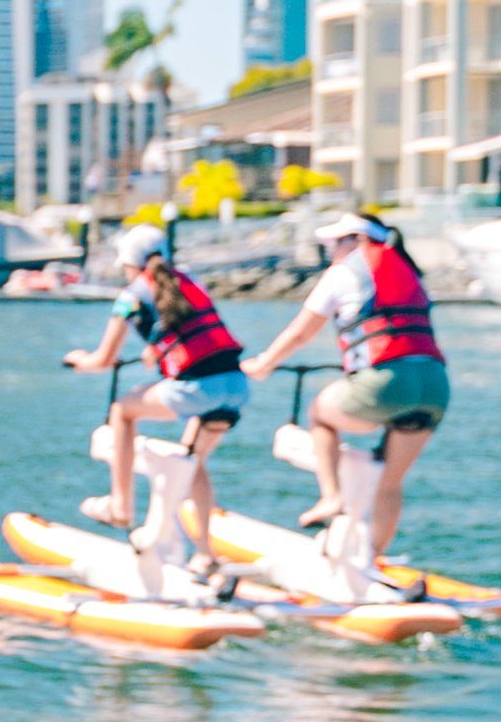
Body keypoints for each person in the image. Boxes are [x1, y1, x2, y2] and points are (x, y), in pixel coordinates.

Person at [243, 209, 446, 568]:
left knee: (320, 413)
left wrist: (263, 364)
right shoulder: (410, 272)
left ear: (358, 240)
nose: (332, 251)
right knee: (390, 483)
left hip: (386, 384)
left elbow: (301, 332)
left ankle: (331, 497)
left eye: (336, 242)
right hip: (434, 386)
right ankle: (373, 561)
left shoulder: (344, 272)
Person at [60, 242, 246, 550]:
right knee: (192, 461)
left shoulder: (130, 295)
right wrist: (154, 350)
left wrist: (79, 359)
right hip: (235, 385)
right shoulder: (189, 279)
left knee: (122, 410)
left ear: (130, 265)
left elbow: (103, 359)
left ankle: (121, 506)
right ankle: (205, 554)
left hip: (196, 388)